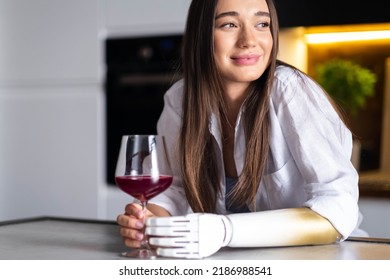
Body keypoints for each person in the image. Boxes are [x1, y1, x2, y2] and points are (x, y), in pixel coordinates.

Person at [117, 0, 366, 258]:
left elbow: (338, 209)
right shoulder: (180, 100)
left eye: (262, 24)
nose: (249, 40)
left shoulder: (290, 91)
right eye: (229, 24)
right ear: (201, 35)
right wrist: (147, 222)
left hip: (325, 260)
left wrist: (226, 230)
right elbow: (173, 190)